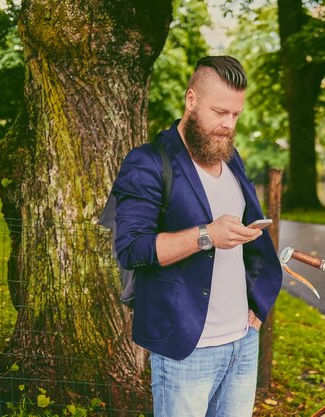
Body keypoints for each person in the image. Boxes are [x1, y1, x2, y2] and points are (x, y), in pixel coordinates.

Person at [112, 55, 282, 416]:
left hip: (242, 343)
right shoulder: (148, 162)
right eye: (219, 112)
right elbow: (131, 248)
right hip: (187, 349)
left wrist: (256, 305)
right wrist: (207, 235)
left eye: (235, 115)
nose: (228, 124)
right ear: (191, 100)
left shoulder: (231, 158)